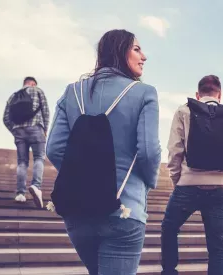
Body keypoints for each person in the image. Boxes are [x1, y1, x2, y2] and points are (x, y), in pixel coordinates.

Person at [46, 29, 161, 275]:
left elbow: (54, 148)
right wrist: (148, 183)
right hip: (124, 208)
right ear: (120, 51)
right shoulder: (144, 93)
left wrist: (84, 174)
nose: (144, 56)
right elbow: (149, 152)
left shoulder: (72, 92)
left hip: (77, 210)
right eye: (137, 49)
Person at [161, 75, 223, 275]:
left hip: (188, 186)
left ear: (197, 94)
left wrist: (179, 181)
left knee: (169, 228)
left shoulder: (184, 111)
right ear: (219, 95)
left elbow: (174, 151)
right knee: (217, 246)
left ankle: (169, 271)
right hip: (222, 189)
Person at [3, 76, 50, 208]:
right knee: (39, 158)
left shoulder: (14, 96)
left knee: (22, 162)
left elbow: (6, 117)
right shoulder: (38, 91)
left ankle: (20, 193)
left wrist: (14, 130)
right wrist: (45, 128)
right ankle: (36, 186)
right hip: (36, 128)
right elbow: (45, 110)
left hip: (19, 131)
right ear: (33, 84)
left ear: (24, 84)